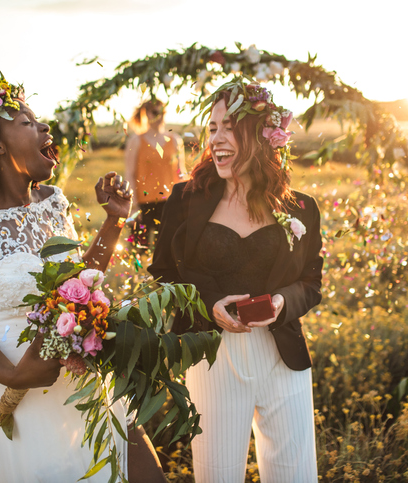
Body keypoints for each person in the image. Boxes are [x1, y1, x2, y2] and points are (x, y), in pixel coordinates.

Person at [0, 73, 164, 482]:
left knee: (140, 470)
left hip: (79, 375)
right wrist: (14, 377)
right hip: (18, 393)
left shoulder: (53, 201)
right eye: (26, 122)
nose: (43, 127)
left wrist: (114, 221)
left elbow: (78, 285)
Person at [148, 79, 322, 482]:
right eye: (212, 128)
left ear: (262, 136)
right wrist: (208, 303)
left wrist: (280, 303)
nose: (217, 139)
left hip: (284, 358)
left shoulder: (301, 208)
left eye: (230, 127)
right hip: (213, 359)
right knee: (218, 474)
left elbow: (311, 284)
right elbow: (164, 274)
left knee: (295, 475)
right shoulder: (184, 200)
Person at [124, 99, 186, 248]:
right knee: (139, 251)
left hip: (168, 203)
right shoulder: (135, 141)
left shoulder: (175, 140)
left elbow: (180, 173)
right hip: (142, 204)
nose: (158, 117)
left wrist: (183, 203)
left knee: (166, 251)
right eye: (154, 112)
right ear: (146, 114)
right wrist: (133, 207)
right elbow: (130, 174)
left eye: (161, 112)